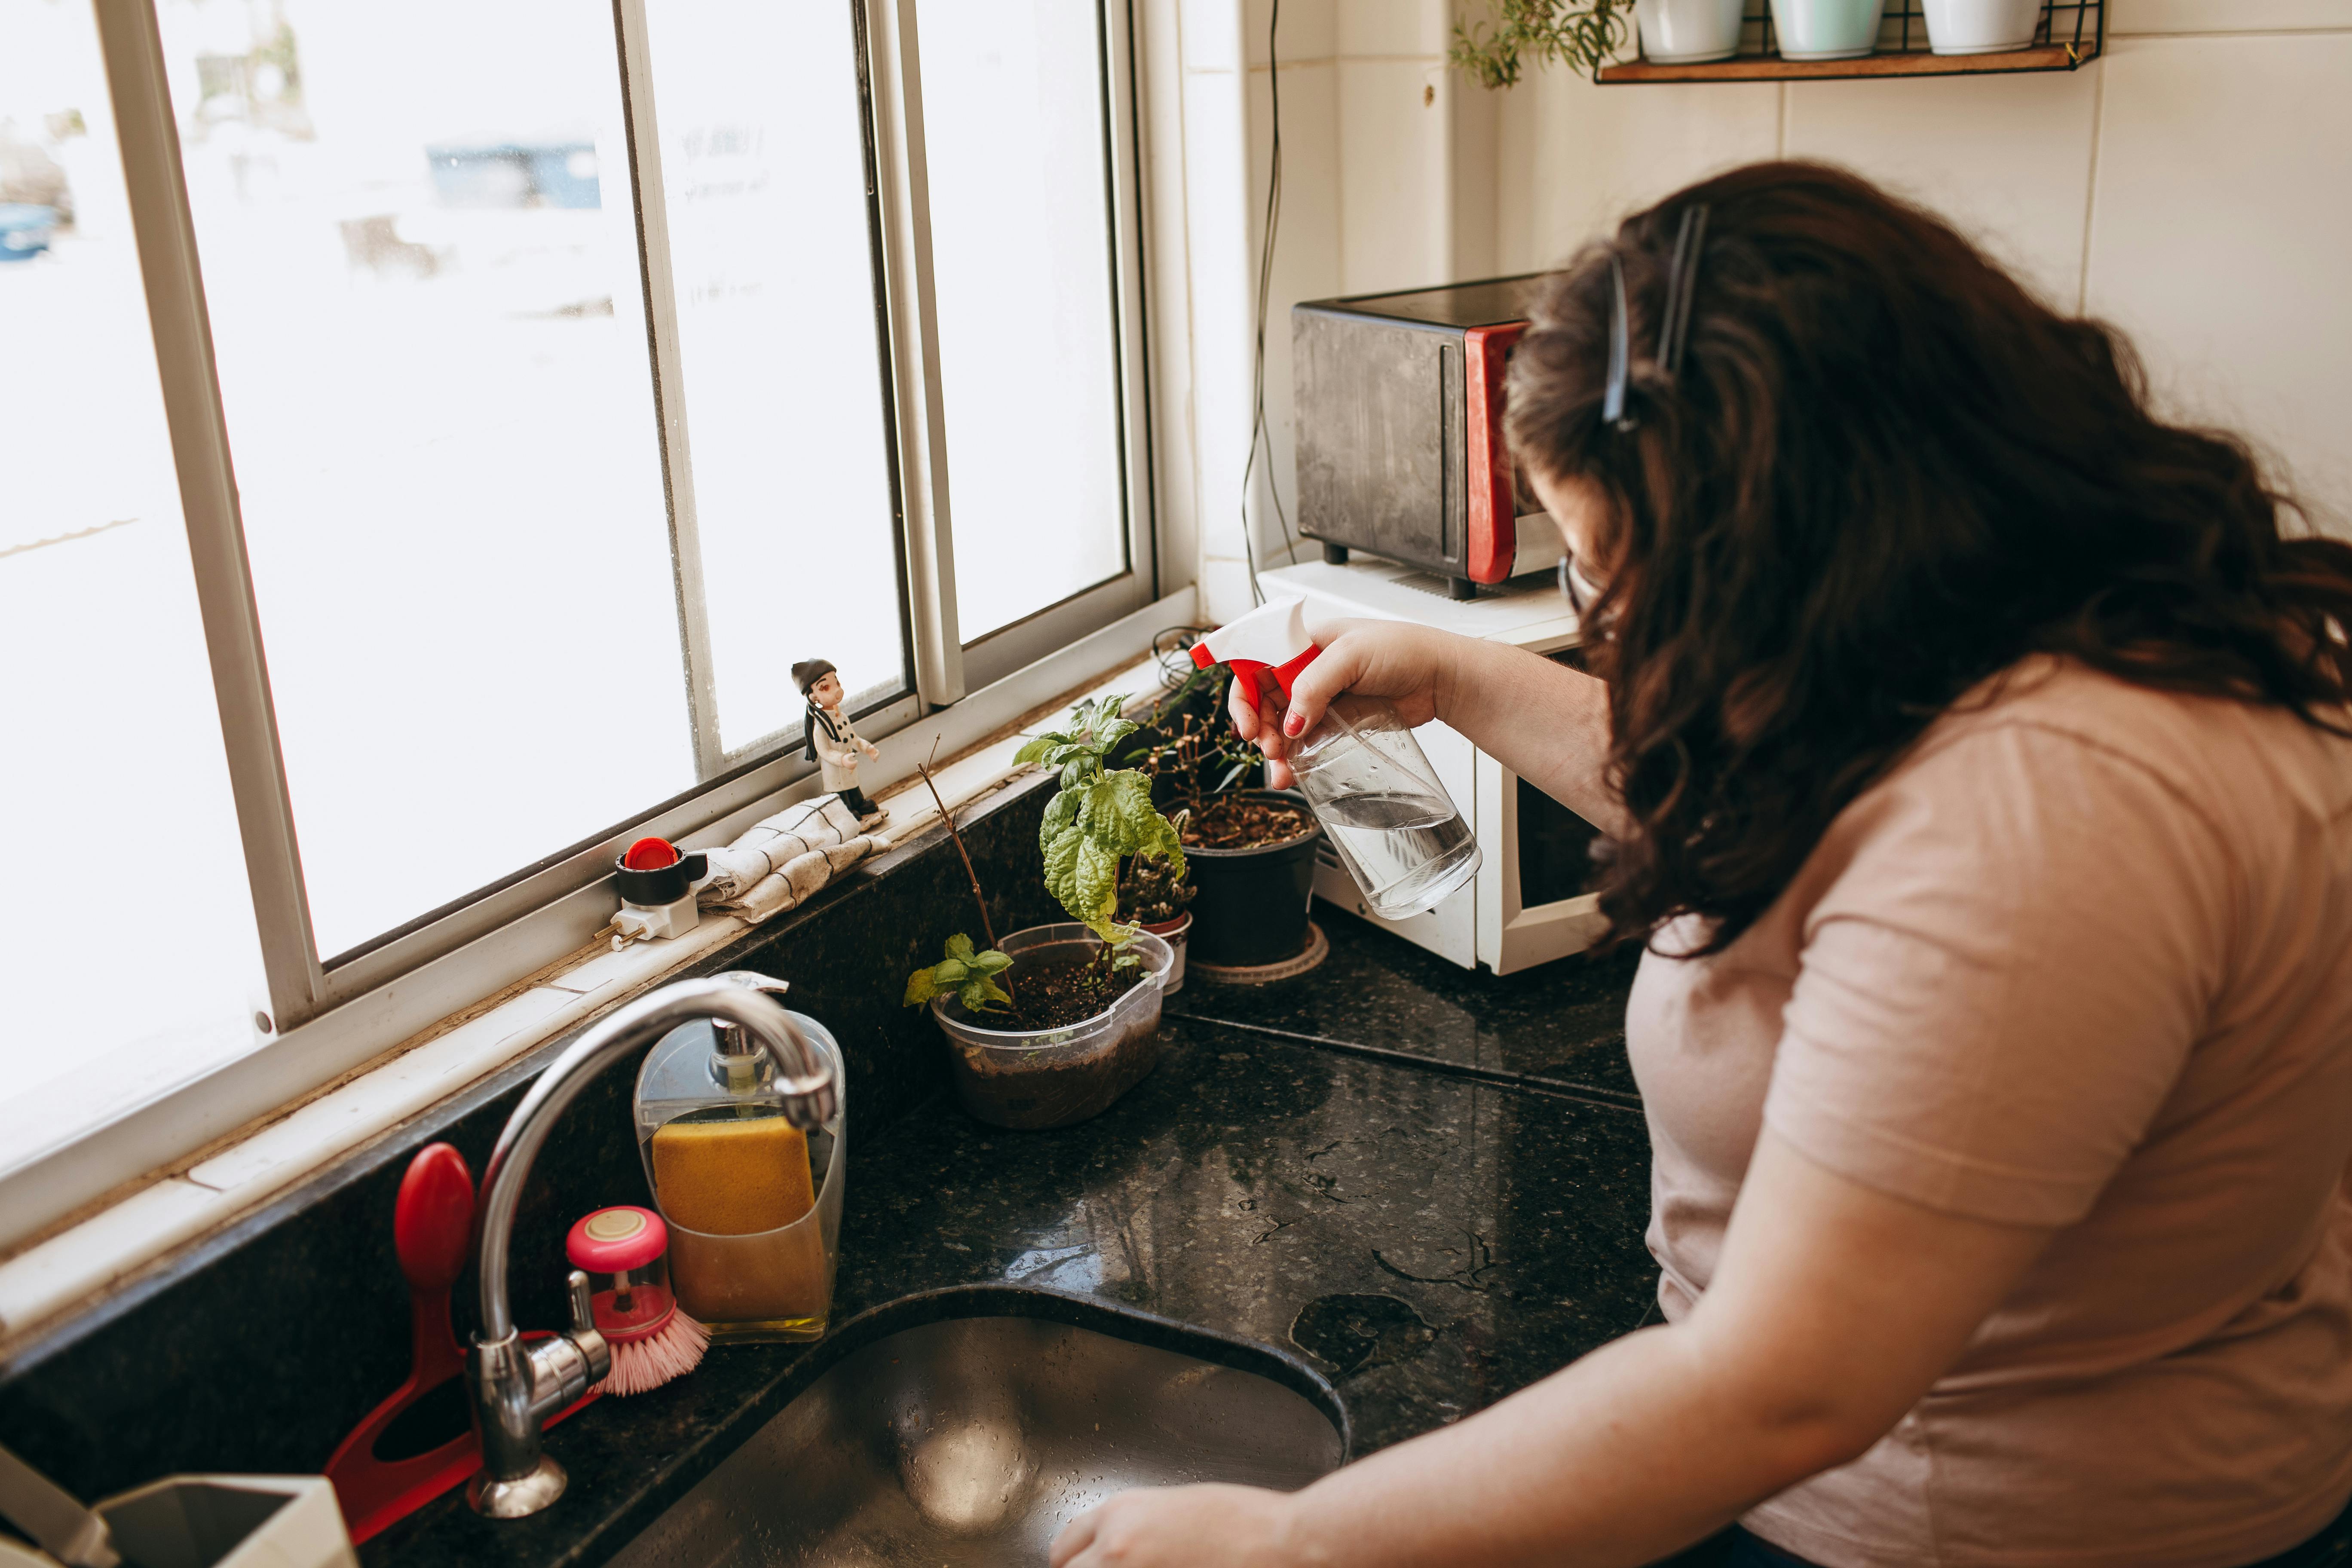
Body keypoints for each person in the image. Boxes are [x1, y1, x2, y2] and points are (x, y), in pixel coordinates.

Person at [1050, 163, 2352, 1568]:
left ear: (1820, 553)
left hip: (1989, 1520)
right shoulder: (2074, 636)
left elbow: (1783, 1385)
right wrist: (1455, 677)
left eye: (1620, 583)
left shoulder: (2049, 820)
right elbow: (1821, 819)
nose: (1603, 628)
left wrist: (1293, 1542)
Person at [793, 658, 882, 823]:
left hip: (849, 768)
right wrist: (841, 759)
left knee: (853, 788)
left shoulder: (842, 718)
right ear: (814, 698)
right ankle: (846, 810)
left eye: (837, 683)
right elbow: (824, 751)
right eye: (826, 687)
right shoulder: (820, 727)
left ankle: (858, 803)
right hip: (835, 771)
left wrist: (868, 748)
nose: (837, 690)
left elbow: (853, 739)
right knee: (842, 795)